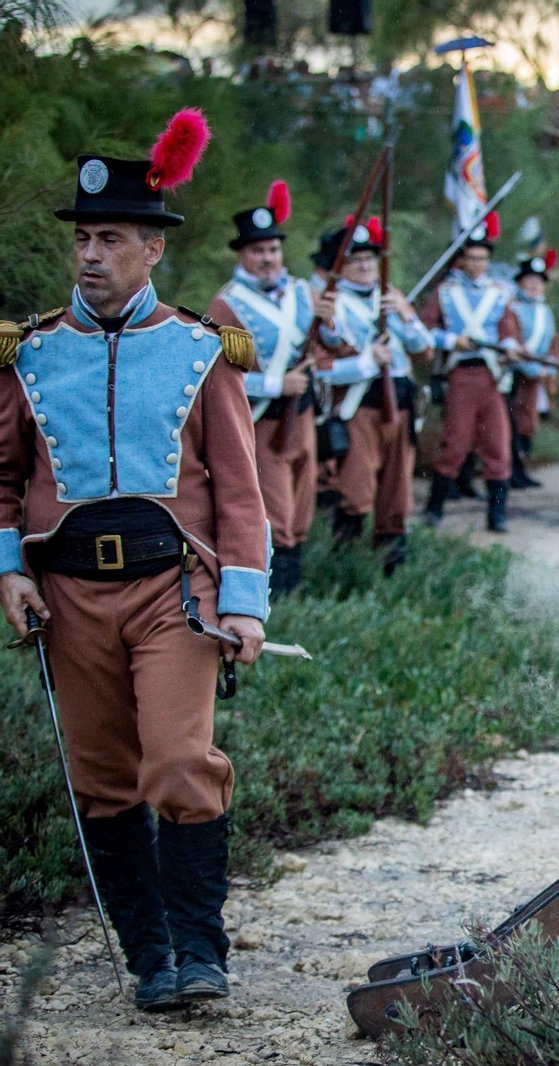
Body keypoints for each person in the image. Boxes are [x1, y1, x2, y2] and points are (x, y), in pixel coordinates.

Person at [0, 116, 268, 1010]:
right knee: (101, 779)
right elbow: (3, 482)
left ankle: (202, 951)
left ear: (152, 248)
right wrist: (10, 570)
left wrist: (246, 603)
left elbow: (239, 493)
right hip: (66, 597)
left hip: (173, 593)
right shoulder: (30, 354)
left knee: (180, 761)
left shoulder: (202, 354)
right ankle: (151, 958)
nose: (91, 255)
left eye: (111, 238)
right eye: (82, 237)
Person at [206, 181, 317, 599]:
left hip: (302, 413)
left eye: (273, 249)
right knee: (277, 508)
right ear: (242, 254)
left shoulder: (303, 292)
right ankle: (280, 592)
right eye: (258, 251)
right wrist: (276, 383)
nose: (268, 258)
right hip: (262, 420)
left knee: (303, 499)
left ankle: (298, 581)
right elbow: (218, 381)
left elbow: (324, 347)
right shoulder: (226, 305)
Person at [314, 218, 432, 568]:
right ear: (341, 266)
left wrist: (404, 317)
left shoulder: (391, 297)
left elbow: (423, 348)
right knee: (355, 491)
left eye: (370, 258)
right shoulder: (331, 303)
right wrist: (368, 360)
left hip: (402, 404)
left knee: (397, 492)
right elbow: (325, 364)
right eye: (355, 260)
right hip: (361, 406)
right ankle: (344, 566)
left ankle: (391, 564)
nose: (365, 266)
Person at [419, 215, 522, 533]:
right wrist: (452, 340)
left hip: (491, 377)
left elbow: (507, 331)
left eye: (483, 258)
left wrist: (510, 346)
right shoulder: (445, 292)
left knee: (498, 445)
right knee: (456, 444)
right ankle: (434, 508)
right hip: (461, 375)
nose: (478, 264)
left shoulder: (498, 293)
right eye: (472, 258)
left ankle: (497, 514)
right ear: (462, 259)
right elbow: (423, 329)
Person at [508, 250, 559, 491]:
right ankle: (510, 471)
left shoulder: (545, 311)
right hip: (515, 374)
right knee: (512, 422)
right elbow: (512, 341)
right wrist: (531, 368)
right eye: (529, 281)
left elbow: (552, 342)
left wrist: (549, 366)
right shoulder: (513, 308)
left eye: (538, 282)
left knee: (528, 423)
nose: (534, 286)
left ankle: (521, 469)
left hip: (537, 374)